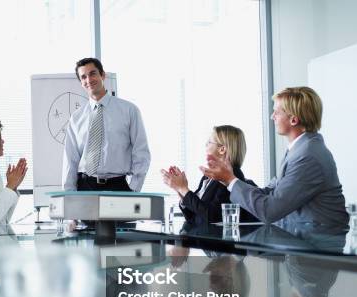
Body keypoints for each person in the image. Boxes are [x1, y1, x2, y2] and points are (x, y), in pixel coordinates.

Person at [201, 87, 348, 226]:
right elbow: (272, 193)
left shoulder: (307, 156)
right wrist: (229, 181)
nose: (272, 117)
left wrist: (230, 180)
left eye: (276, 112)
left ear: (293, 120)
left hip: (320, 245)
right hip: (305, 241)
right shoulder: (300, 150)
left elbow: (270, 210)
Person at [63, 57, 150, 192]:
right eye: (83, 77)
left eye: (93, 74)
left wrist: (133, 189)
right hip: (85, 187)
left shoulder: (129, 110)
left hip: (119, 187)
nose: (89, 80)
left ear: (103, 75)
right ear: (81, 82)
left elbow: (141, 152)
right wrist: (68, 194)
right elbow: (70, 160)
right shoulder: (76, 117)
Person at [161, 125, 259, 225]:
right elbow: (194, 215)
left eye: (209, 142)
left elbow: (212, 216)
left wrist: (183, 188)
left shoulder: (232, 176)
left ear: (222, 149)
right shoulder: (208, 176)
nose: (205, 145)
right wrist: (179, 190)